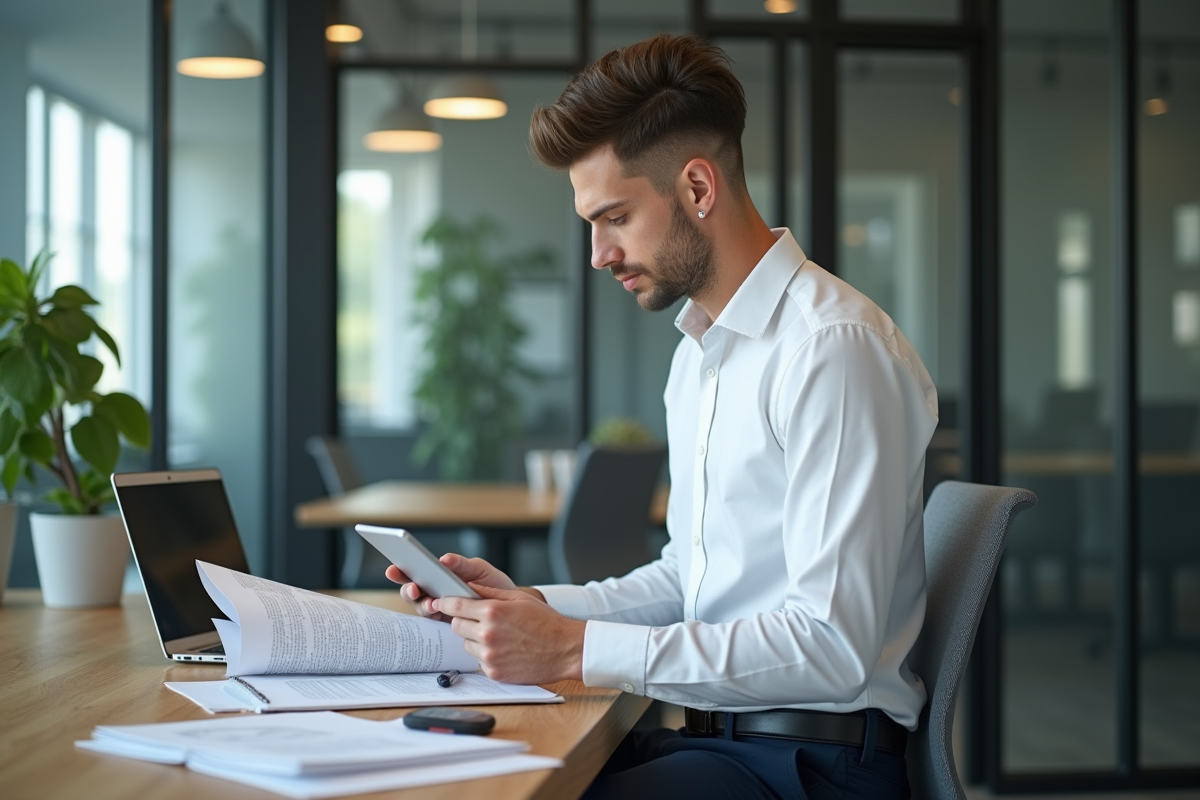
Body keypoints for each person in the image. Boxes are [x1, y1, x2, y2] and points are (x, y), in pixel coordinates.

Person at [387, 33, 938, 800]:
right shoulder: (700, 355)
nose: (598, 253)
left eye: (614, 217)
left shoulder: (832, 349)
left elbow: (830, 647)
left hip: (812, 766)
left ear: (698, 187)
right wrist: (536, 609)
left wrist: (576, 650)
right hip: (720, 741)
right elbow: (689, 578)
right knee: (477, 770)